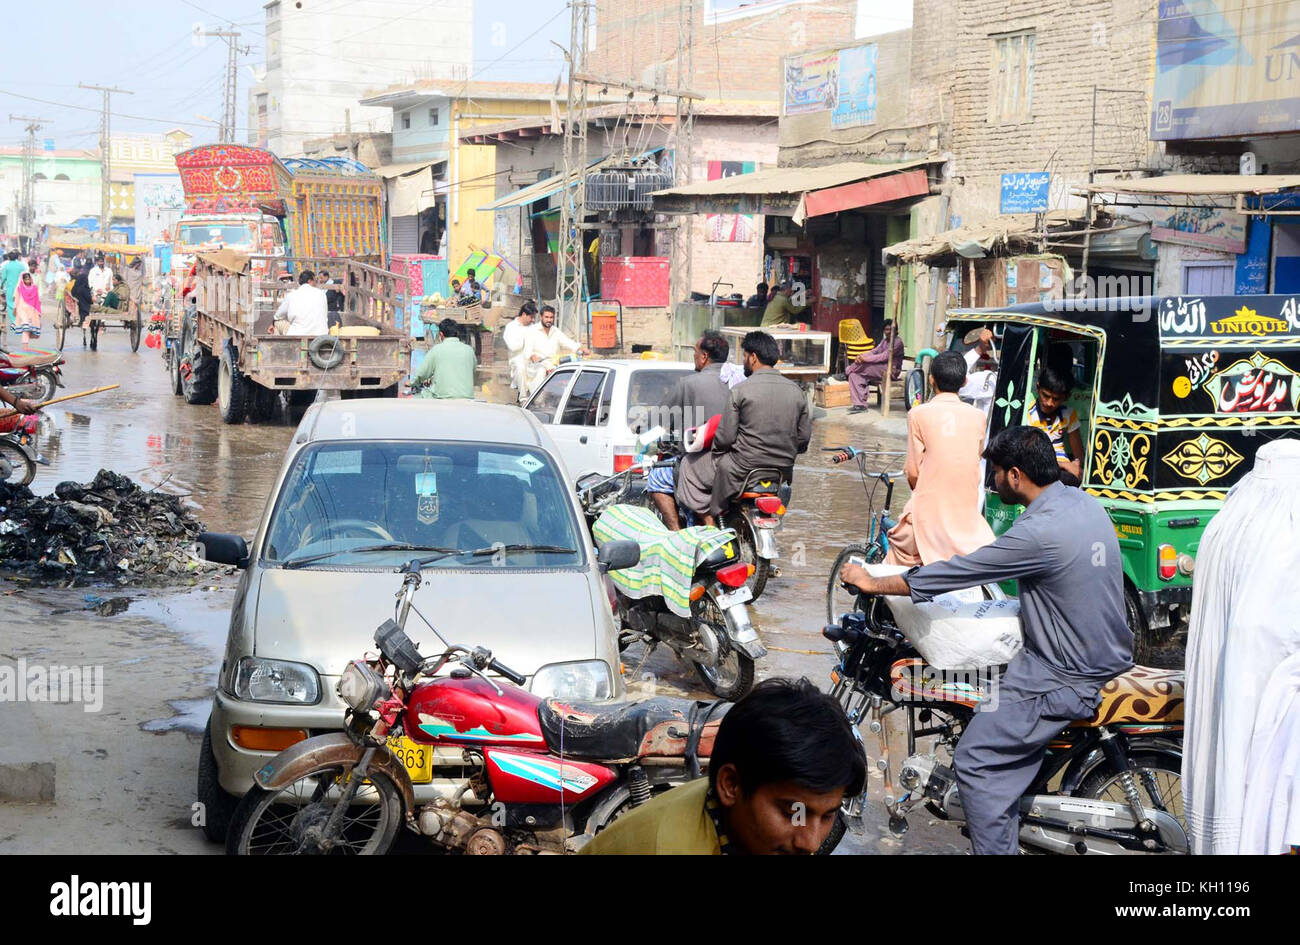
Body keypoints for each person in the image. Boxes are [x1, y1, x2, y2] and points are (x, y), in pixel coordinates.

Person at [839, 426, 1133, 855]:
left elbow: (960, 572)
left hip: (1060, 673)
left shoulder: (1039, 532)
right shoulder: (1082, 504)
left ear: (1015, 475)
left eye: (995, 472)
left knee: (975, 760)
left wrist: (874, 581)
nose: (992, 482)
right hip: (1102, 651)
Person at [580, 677, 866, 855]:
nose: (811, 843)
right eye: (793, 812)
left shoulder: (732, 817)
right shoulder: (672, 847)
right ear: (731, 785)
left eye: (827, 816)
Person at [884, 350, 994, 567]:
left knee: (897, 550)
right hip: (967, 509)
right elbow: (975, 457)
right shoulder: (978, 418)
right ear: (964, 381)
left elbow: (913, 472)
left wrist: (922, 494)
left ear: (931, 379)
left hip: (929, 507)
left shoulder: (918, 414)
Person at [704, 330, 811, 525]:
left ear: (753, 357)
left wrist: (717, 452)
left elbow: (725, 438)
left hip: (743, 468)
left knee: (717, 472)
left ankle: (717, 525)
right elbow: (803, 440)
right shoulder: (797, 392)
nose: (743, 360)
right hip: (782, 470)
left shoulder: (740, 390)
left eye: (744, 356)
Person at [647, 330, 731, 530]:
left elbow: (659, 418)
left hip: (704, 462)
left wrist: (640, 428)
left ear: (704, 356)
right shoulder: (738, 381)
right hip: (737, 461)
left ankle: (676, 534)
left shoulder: (689, 383)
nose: (693, 355)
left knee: (657, 480)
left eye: (695, 351)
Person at [1027, 365, 1084, 485]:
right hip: (1039, 467)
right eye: (1046, 396)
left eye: (1056, 399)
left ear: (1066, 397)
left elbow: (1079, 454)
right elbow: (1030, 455)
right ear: (1038, 388)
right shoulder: (1028, 414)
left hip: (1063, 472)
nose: (1049, 403)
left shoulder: (1068, 414)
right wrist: (1066, 465)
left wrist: (1077, 466)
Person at [522, 304, 588, 397]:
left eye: (551, 317)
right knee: (541, 371)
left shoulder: (555, 331)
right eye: (546, 317)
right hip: (536, 366)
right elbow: (528, 352)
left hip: (554, 365)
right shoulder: (532, 331)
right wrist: (533, 357)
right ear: (541, 317)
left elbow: (568, 342)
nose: (549, 320)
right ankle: (537, 400)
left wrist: (580, 348)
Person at [846, 319, 905, 414]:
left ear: (896, 330)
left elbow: (884, 357)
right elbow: (874, 351)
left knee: (861, 365)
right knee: (854, 375)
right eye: (886, 330)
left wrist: (865, 359)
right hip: (880, 367)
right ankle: (860, 405)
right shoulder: (884, 341)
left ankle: (846, 371)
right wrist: (861, 356)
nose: (889, 332)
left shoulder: (897, 342)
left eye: (891, 329)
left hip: (890, 370)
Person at [410, 317, 476, 399]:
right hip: (468, 397)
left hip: (443, 397)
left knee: (420, 396)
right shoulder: (469, 350)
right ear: (457, 333)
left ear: (441, 334)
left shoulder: (436, 350)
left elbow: (422, 373)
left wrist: (411, 382)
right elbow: (472, 370)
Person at [272, 269, 329, 337]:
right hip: (321, 334)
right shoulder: (321, 294)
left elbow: (278, 315)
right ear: (310, 281)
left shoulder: (292, 295)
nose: (316, 283)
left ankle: (279, 345)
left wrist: (273, 322)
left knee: (277, 322)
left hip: (297, 334)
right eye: (315, 281)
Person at [502, 300, 538, 400]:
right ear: (524, 314)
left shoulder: (533, 328)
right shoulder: (511, 327)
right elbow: (513, 347)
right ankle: (523, 399)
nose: (533, 320)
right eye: (531, 317)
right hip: (517, 360)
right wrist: (525, 337)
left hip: (532, 360)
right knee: (521, 367)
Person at [11, 270, 42, 345]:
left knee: (29, 328)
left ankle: (26, 347)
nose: (27, 280)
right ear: (23, 279)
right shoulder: (19, 288)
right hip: (22, 310)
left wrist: (38, 312)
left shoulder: (34, 288)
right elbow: (16, 299)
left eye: (29, 279)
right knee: (26, 327)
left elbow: (37, 300)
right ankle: (25, 347)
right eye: (26, 279)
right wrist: (15, 309)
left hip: (32, 311)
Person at [1, 250, 26, 327]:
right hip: (21, 288)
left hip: (10, 288)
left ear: (8, 257)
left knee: (10, 304)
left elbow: (3, 278)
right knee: (19, 304)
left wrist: (1, 285)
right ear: (16, 257)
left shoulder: (6, 266)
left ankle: (14, 321)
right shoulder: (22, 266)